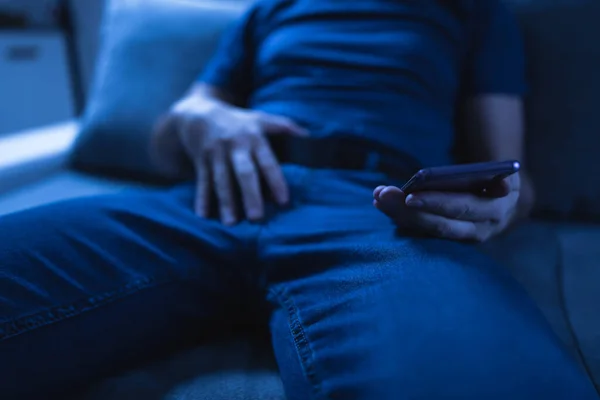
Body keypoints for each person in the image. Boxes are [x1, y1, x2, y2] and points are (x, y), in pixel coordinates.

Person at [0, 0, 597, 399]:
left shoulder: (471, 8)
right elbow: (167, 142)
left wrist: (499, 199)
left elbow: (511, 174)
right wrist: (200, 115)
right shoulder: (273, 5)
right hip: (215, 198)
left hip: (378, 214)